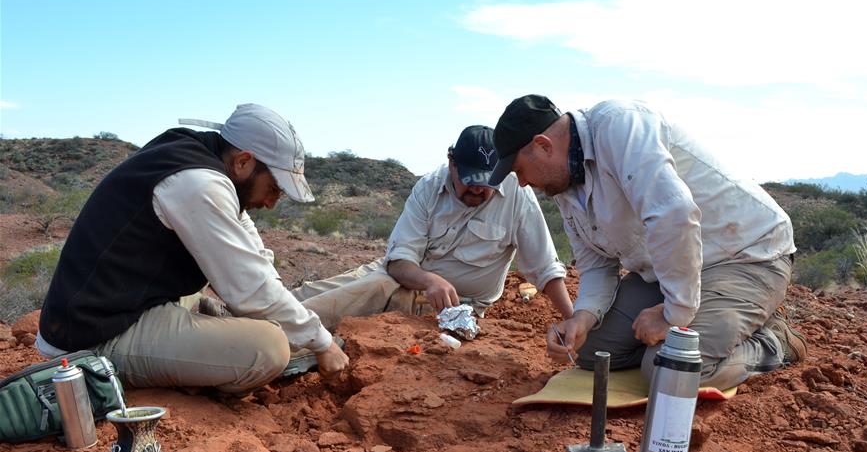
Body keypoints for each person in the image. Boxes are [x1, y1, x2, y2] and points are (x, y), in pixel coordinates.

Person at [488, 95, 807, 390]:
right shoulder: (565, 184)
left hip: (745, 256)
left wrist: (673, 315)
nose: (525, 182)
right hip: (672, 270)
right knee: (592, 353)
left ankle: (773, 341)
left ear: (544, 146)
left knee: (667, 370)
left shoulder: (621, 127)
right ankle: (706, 327)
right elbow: (597, 265)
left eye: (519, 170)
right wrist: (581, 319)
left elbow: (674, 215)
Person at [36, 104, 349, 394]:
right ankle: (194, 376)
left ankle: (197, 344)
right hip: (92, 338)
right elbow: (251, 290)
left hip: (126, 304)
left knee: (255, 312)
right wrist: (322, 343)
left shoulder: (196, 158)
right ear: (243, 161)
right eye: (274, 188)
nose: (270, 202)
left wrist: (283, 310)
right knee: (268, 349)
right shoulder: (199, 184)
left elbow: (252, 256)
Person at [293, 125, 574, 326]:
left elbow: (545, 267)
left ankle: (283, 330)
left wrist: (573, 321)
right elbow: (399, 261)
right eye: (469, 180)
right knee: (312, 292)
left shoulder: (517, 195)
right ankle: (267, 311)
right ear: (451, 162)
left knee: (375, 288)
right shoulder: (429, 186)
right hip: (406, 277)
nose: (477, 190)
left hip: (448, 305)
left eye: (486, 182)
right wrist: (431, 280)